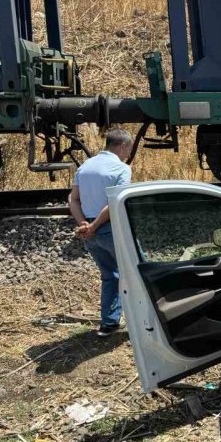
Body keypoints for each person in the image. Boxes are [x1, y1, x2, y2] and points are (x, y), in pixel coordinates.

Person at [68, 129, 134, 337]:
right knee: (135, 273)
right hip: (109, 229)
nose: (128, 154)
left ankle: (109, 324)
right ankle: (143, 323)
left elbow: (73, 199)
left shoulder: (85, 167)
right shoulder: (121, 168)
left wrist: (84, 225)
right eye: (129, 149)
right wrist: (94, 226)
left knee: (110, 276)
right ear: (122, 146)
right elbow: (114, 203)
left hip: (90, 233)